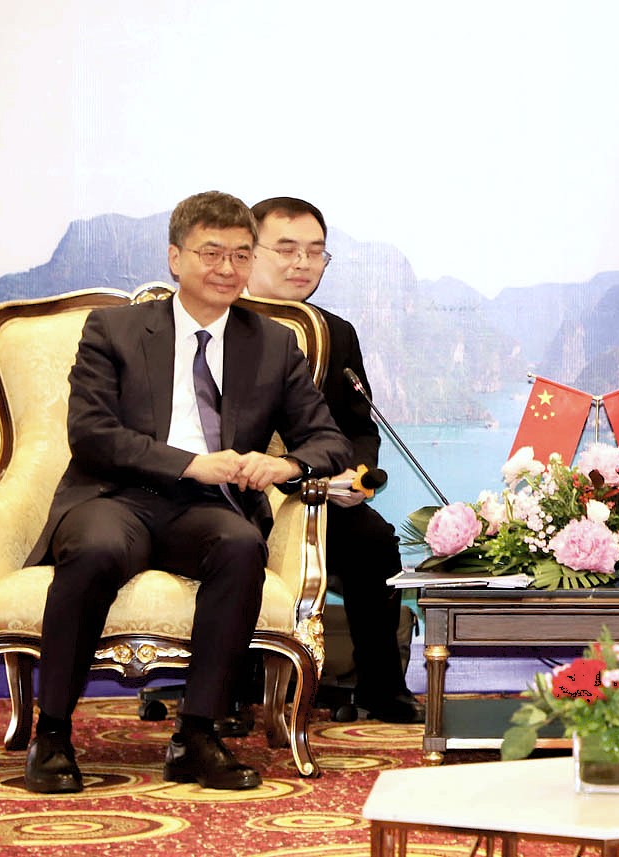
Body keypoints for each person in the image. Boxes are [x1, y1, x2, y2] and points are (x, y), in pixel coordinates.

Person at [22, 191, 352, 794]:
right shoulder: (114, 329)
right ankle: (53, 734)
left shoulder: (274, 343)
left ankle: (197, 735)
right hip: (113, 497)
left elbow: (328, 442)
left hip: (207, 511)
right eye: (211, 253)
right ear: (176, 257)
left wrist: (282, 466)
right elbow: (92, 435)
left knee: (240, 545)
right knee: (93, 551)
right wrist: (191, 463)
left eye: (240, 256)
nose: (227, 269)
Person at [246, 197, 423, 723]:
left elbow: (359, 425)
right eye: (286, 249)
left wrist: (357, 477)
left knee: (372, 538)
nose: (302, 263)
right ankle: (230, 689)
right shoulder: (213, 324)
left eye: (315, 252)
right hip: (235, 492)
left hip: (312, 495)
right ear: (249, 253)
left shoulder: (336, 333)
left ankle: (381, 687)